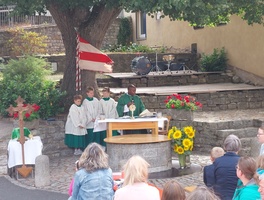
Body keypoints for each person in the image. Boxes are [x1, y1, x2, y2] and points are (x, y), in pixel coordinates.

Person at [213, 134, 241, 200]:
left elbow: (213, 179)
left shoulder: (217, 161)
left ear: (225, 147)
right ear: (238, 148)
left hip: (220, 196)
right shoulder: (242, 162)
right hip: (236, 196)